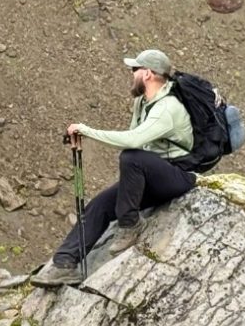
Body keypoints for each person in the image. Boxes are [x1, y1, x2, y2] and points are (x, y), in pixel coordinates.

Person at [33, 48, 197, 286]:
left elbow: (133, 142)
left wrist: (86, 130)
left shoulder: (167, 107)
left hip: (177, 176)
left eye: (135, 70)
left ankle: (130, 225)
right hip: (153, 175)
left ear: (148, 74)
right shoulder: (143, 103)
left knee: (132, 157)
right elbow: (133, 137)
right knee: (99, 205)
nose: (131, 74)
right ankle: (63, 264)